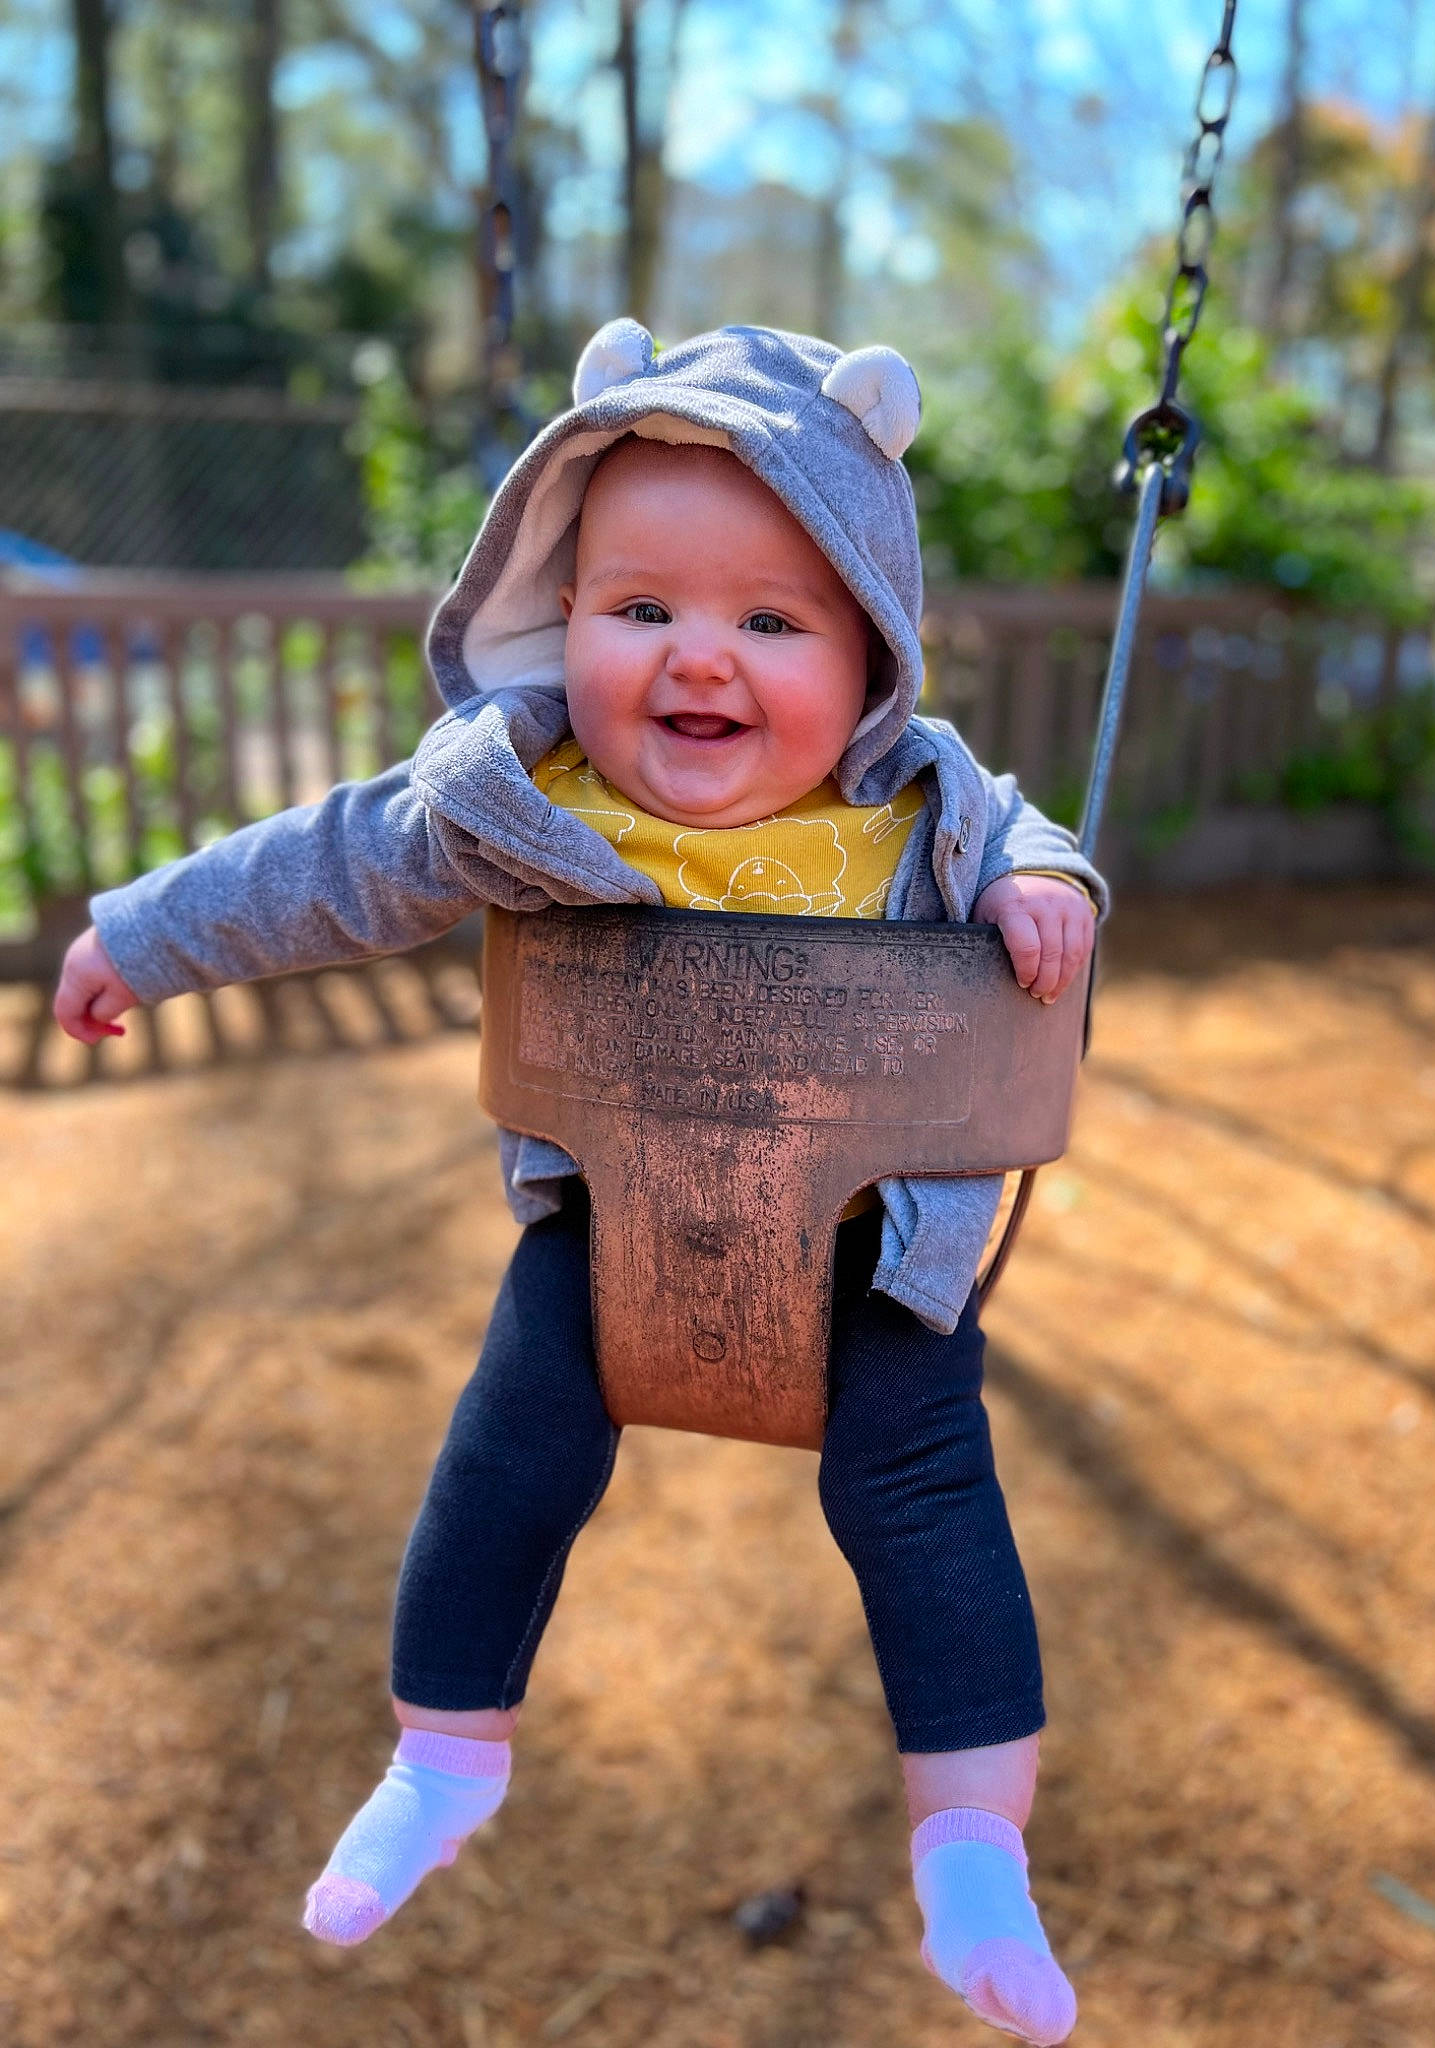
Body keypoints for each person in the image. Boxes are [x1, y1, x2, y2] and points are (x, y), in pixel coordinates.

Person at [54, 321, 1104, 2045]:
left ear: (872, 658)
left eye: (773, 621)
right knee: (508, 1451)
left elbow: (1043, 840)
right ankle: (443, 1755)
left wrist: (1044, 892)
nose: (701, 659)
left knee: (922, 1504)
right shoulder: (519, 797)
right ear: (569, 620)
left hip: (875, 1262)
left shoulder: (926, 801)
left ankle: (972, 1848)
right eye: (643, 610)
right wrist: (146, 935)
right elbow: (320, 866)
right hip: (614, 1230)